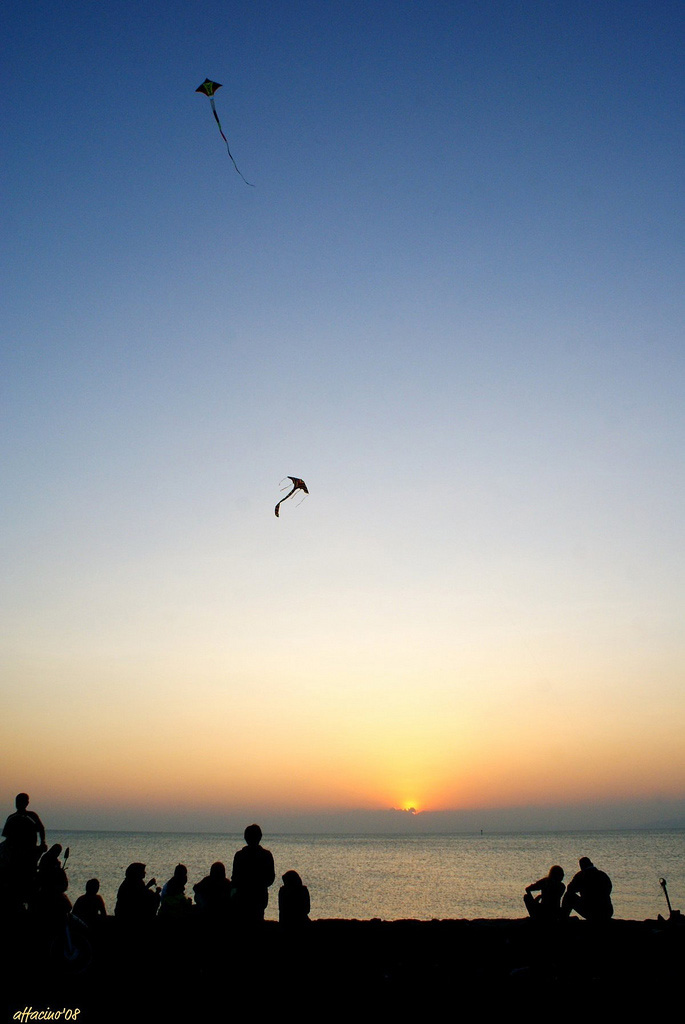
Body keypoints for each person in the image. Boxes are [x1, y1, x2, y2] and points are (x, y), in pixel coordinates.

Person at [2, 793, 47, 901]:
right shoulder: (12, 818)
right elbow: (7, 839)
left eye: (22, 801)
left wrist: (42, 843)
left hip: (29, 853)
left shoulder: (31, 816)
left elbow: (41, 829)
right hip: (16, 855)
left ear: (26, 803)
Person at [231, 824, 275, 926]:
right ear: (260, 837)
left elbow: (235, 879)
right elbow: (270, 879)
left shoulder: (240, 855)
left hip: (244, 898)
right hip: (258, 897)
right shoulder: (266, 855)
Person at [561, 857, 613, 921]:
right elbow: (609, 889)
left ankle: (563, 918)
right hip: (607, 911)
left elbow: (570, 889)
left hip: (591, 912)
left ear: (581, 866)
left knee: (568, 896)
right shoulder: (603, 875)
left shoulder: (581, 875)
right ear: (591, 863)